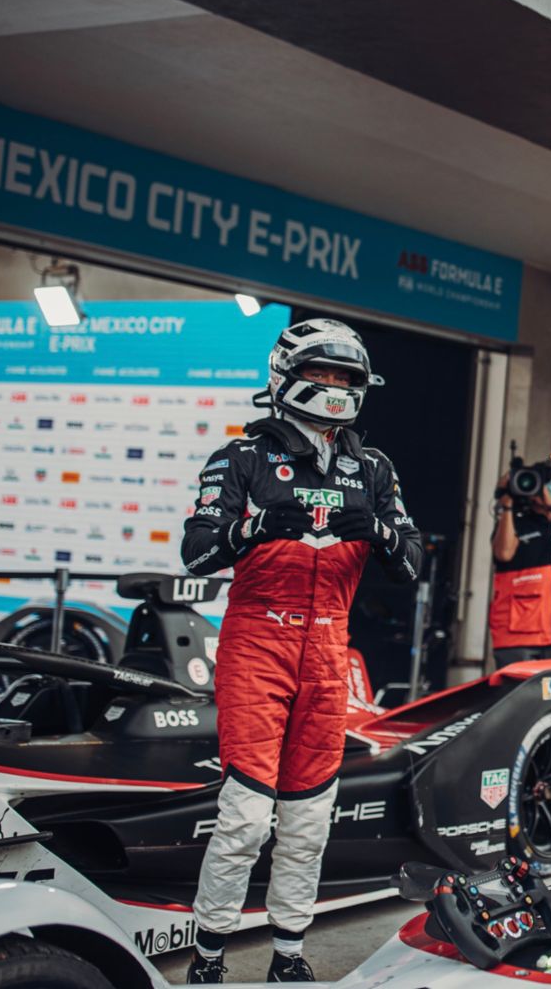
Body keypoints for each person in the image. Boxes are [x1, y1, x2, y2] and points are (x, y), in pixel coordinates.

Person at [180, 319, 421, 984]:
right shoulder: (242, 458)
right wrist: (252, 526)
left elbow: (412, 564)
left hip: (328, 649)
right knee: (246, 817)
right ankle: (208, 955)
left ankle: (288, 954)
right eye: (324, 373)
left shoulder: (373, 467)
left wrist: (378, 527)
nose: (337, 388)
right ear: (286, 376)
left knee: (310, 816)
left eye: (348, 376)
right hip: (257, 642)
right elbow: (196, 551)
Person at [489, 460, 551, 668]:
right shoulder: (515, 521)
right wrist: (507, 503)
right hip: (518, 638)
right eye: (544, 483)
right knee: (519, 698)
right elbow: (503, 553)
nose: (548, 489)